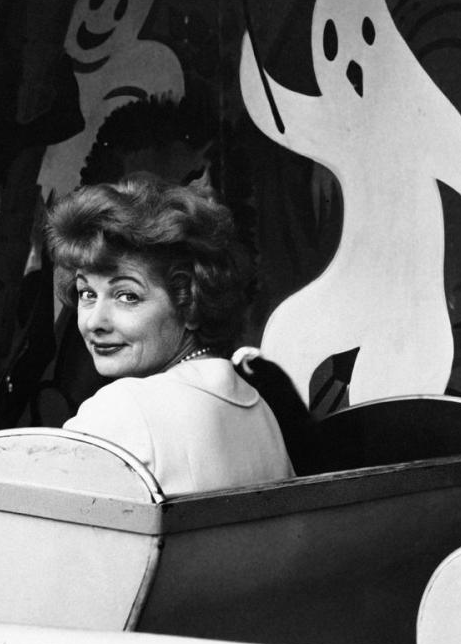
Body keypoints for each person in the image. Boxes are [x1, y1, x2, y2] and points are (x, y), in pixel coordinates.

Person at [45, 176, 295, 494]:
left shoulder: (125, 408)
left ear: (189, 304)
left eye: (127, 296)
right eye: (87, 293)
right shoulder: (258, 409)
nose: (95, 322)